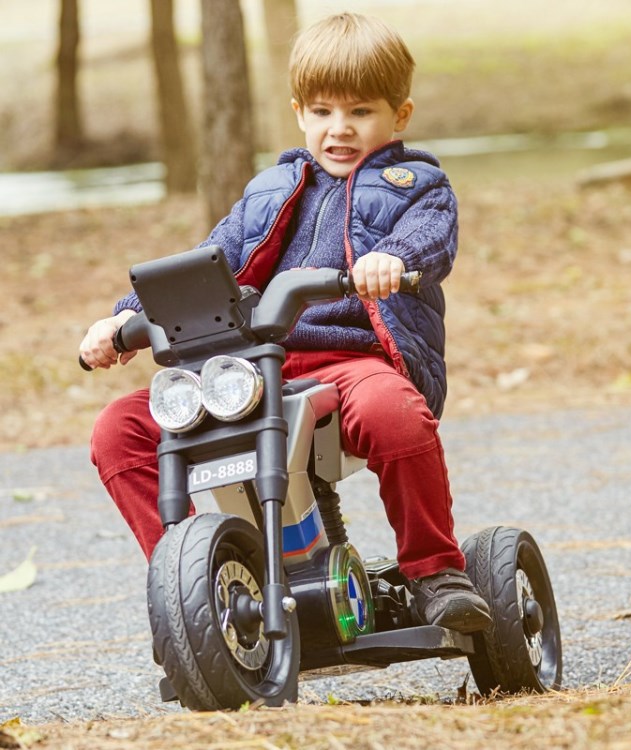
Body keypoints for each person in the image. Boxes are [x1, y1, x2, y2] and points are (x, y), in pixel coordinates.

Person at [79, 12, 491, 633]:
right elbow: (209, 264)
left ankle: (435, 569)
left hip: (354, 362)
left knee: (394, 415)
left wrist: (393, 258)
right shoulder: (270, 189)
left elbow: (431, 238)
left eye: (361, 112)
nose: (340, 129)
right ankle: (196, 584)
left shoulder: (416, 184)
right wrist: (126, 320)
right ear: (299, 112)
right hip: (250, 370)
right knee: (120, 431)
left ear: (399, 116)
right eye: (323, 112)